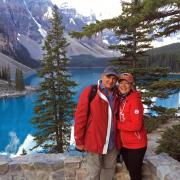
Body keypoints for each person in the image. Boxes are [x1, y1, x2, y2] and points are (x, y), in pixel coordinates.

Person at [74, 66, 121, 180]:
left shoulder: (117, 94)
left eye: (114, 78)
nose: (111, 80)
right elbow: (80, 117)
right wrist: (79, 140)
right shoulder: (91, 91)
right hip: (94, 142)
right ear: (102, 76)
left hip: (112, 143)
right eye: (108, 77)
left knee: (109, 172)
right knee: (93, 174)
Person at [117, 73, 147, 180]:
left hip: (136, 145)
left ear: (131, 85)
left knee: (135, 174)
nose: (123, 86)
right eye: (121, 83)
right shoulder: (121, 99)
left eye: (127, 83)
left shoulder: (134, 101)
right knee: (130, 170)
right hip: (125, 144)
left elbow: (136, 126)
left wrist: (116, 124)